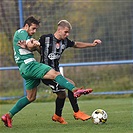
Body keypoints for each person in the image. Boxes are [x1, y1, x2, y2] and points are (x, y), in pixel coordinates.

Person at [1, 16, 91, 128]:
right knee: (56, 74)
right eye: (33, 29)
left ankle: (8, 116)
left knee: (30, 97)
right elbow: (29, 43)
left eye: (35, 30)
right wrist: (33, 43)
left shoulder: (28, 36)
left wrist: (34, 45)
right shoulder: (21, 32)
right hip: (30, 65)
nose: (34, 32)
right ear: (26, 26)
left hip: (24, 69)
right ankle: (75, 90)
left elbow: (31, 45)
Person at [39, 20, 102, 124]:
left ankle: (57, 116)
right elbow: (34, 46)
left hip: (56, 74)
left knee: (62, 95)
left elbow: (76, 44)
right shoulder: (45, 38)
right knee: (70, 85)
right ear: (59, 29)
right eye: (66, 32)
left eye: (68, 33)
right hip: (45, 74)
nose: (67, 34)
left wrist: (92, 44)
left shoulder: (65, 41)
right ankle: (77, 112)